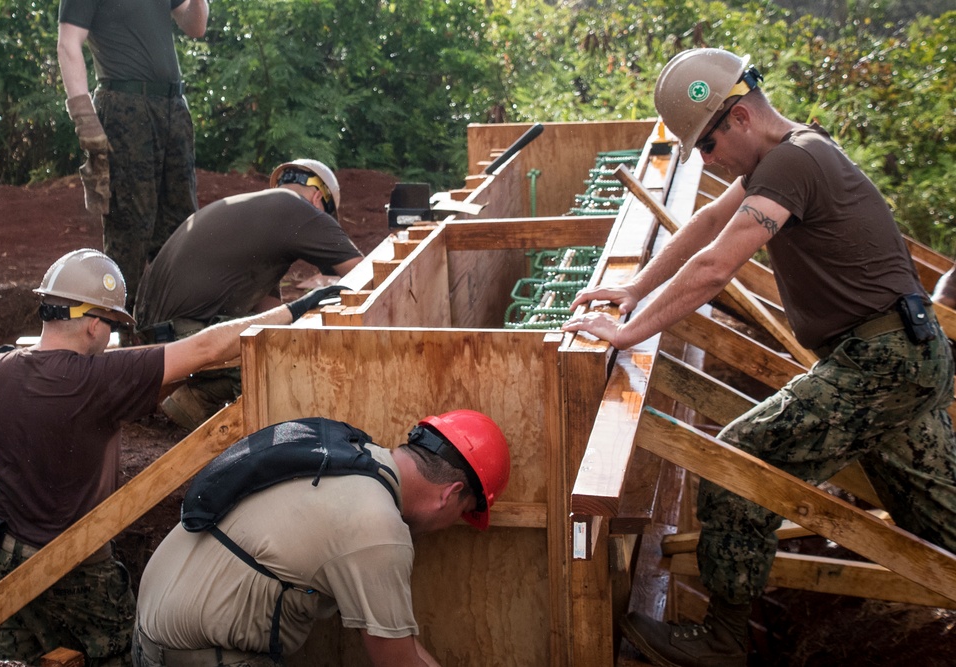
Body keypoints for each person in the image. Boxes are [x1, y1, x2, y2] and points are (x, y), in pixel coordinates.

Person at [563, 48, 956, 667]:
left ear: (740, 117)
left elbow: (718, 267)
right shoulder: (792, 153)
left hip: (881, 363)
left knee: (737, 463)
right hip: (906, 355)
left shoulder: (794, 162)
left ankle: (722, 641)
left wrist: (626, 333)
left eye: (709, 145)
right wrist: (634, 290)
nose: (706, 160)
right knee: (935, 513)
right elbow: (705, 228)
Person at [0, 248, 344, 666]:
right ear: (93, 325)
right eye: (111, 327)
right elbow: (205, 347)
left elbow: (6, 422)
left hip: (0, 561)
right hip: (79, 571)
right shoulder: (95, 380)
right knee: (123, 656)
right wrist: (295, 309)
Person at [132, 410, 511, 667]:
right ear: (450, 494)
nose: (451, 523)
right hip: (193, 652)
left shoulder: (345, 451)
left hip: (151, 627)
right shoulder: (377, 527)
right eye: (463, 512)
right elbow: (397, 660)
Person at [133, 158, 364, 430]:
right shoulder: (298, 209)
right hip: (187, 333)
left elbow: (270, 315)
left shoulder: (259, 217)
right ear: (317, 198)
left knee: (282, 344)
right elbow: (363, 275)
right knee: (292, 365)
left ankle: (196, 395)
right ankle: (198, 397)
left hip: (152, 333)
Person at [57, 0, 209, 310]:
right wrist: (84, 117)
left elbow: (195, 26)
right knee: (131, 228)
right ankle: (128, 337)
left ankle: (178, 326)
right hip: (125, 107)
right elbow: (68, 44)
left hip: (173, 107)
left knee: (182, 225)